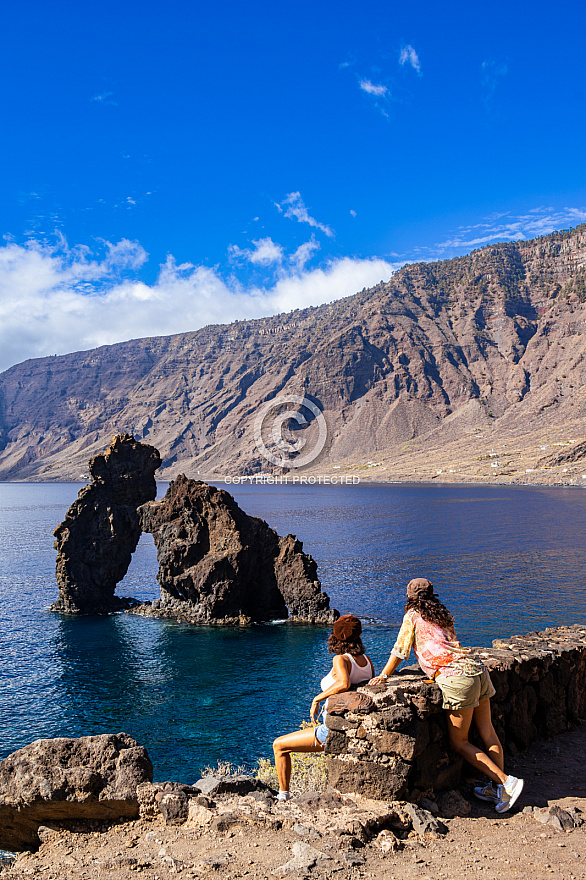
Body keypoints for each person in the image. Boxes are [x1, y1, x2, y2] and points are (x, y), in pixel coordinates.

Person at [370, 578, 524, 814]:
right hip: (476, 668)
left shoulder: (413, 615)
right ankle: (497, 789)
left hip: (456, 678)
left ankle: (506, 782)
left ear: (410, 596)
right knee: (488, 732)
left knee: (458, 742)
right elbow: (445, 645)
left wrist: (383, 675)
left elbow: (400, 650)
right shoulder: (442, 614)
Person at [272, 614, 374, 802]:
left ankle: (283, 797)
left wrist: (316, 699)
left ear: (338, 637)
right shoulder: (367, 661)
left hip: (331, 730)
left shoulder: (341, 659)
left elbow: (344, 683)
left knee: (279, 746)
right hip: (351, 727)